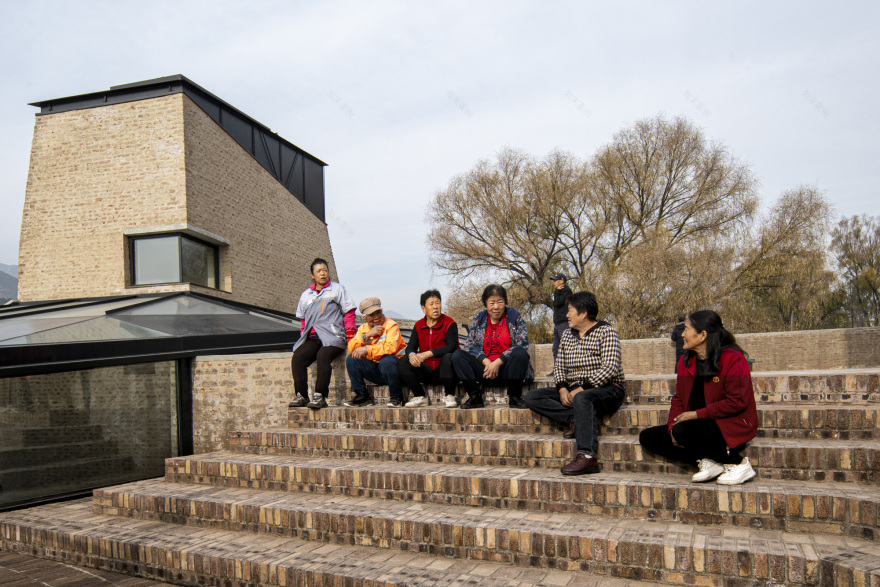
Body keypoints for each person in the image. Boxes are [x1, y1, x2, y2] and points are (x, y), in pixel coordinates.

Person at [638, 310, 758, 485]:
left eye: (686, 329)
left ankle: (738, 463)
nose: (682, 334)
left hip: (730, 422)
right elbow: (679, 399)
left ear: (702, 335)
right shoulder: (686, 363)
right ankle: (709, 461)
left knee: (683, 431)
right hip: (696, 424)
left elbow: (736, 402)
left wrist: (695, 415)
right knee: (649, 437)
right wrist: (672, 425)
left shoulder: (732, 359)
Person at [525, 291, 625, 475]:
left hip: (608, 388)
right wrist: (562, 388)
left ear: (584, 312)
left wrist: (581, 388)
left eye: (570, 310)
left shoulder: (606, 331)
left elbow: (610, 368)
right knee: (532, 396)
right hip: (574, 389)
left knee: (582, 398)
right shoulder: (567, 336)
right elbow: (560, 366)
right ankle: (574, 418)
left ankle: (587, 457)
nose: (567, 315)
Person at [451, 284, 533, 409]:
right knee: (457, 355)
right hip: (485, 370)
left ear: (505, 302)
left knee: (520, 353)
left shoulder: (514, 316)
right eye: (492, 303)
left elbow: (522, 343)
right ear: (485, 304)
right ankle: (475, 396)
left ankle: (515, 396)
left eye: (500, 302)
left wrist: (498, 362)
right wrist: (486, 361)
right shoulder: (479, 318)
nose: (496, 307)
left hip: (507, 370)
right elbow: (469, 344)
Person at [289, 258, 357, 410]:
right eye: (319, 271)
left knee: (323, 356)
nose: (322, 273)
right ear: (313, 275)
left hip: (333, 336)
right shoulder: (306, 295)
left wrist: (350, 334)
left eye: (325, 270)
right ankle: (302, 395)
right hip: (313, 338)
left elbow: (349, 312)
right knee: (298, 358)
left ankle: (320, 396)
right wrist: (303, 337)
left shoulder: (338, 289)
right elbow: (302, 321)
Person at [398, 290, 460, 408]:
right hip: (426, 371)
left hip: (445, 371)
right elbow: (410, 347)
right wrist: (412, 355)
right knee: (403, 361)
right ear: (423, 308)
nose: (435, 307)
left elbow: (452, 346)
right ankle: (420, 396)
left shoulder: (449, 323)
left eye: (438, 303)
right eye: (431, 304)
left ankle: (450, 395)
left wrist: (428, 353)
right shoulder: (418, 325)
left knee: (449, 356)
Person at [345, 297, 407, 407]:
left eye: (378, 312)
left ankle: (396, 397)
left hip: (394, 371)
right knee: (351, 359)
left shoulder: (391, 325)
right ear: (364, 318)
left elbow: (391, 348)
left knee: (386, 360)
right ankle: (362, 396)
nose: (376, 317)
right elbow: (351, 348)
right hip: (377, 371)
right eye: (371, 315)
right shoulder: (363, 329)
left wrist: (367, 349)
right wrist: (367, 335)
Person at [550, 273, 573, 366]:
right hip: (558, 324)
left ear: (562, 281)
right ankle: (557, 368)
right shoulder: (559, 292)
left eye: (555, 280)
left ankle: (567, 368)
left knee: (565, 348)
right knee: (556, 348)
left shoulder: (566, 291)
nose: (554, 282)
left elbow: (557, 303)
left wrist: (556, 292)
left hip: (564, 323)